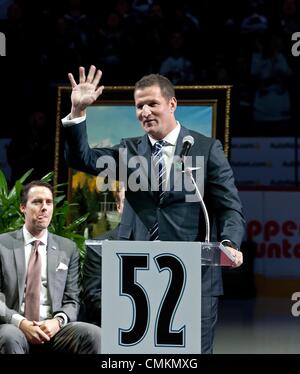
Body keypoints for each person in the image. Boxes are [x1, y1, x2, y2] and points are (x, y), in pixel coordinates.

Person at [62, 65, 245, 354]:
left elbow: (230, 208)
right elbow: (81, 158)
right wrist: (77, 112)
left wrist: (229, 243)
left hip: (194, 278)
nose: (144, 111)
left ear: (172, 104)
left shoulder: (205, 149)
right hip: (137, 278)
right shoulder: (128, 152)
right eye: (139, 106)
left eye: (152, 104)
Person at [0, 180, 101, 354]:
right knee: (9, 336)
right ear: (23, 207)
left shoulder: (67, 248)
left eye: (49, 202)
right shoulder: (3, 244)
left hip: (53, 329)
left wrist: (57, 322)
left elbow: (72, 299)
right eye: (37, 202)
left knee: (94, 334)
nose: (44, 207)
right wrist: (20, 322)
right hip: (15, 326)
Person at [82, 183, 125, 326]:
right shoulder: (99, 247)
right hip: (111, 325)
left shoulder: (160, 245)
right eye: (128, 203)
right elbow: (93, 296)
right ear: (119, 207)